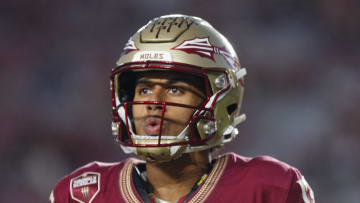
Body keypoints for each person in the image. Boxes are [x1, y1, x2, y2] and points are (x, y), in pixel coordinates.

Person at [50, 14, 315, 203]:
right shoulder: (82, 193)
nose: (153, 101)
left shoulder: (268, 187)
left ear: (220, 99)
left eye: (175, 89)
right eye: (143, 89)